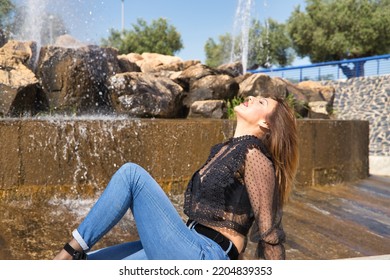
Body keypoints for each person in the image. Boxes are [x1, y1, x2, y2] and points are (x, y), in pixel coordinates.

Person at [53, 95, 299, 260]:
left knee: (132, 175)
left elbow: (269, 234)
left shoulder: (255, 155)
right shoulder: (224, 149)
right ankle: (73, 258)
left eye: (261, 102)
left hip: (206, 256)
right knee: (89, 266)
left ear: (266, 124)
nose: (251, 98)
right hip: (186, 243)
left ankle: (66, 254)